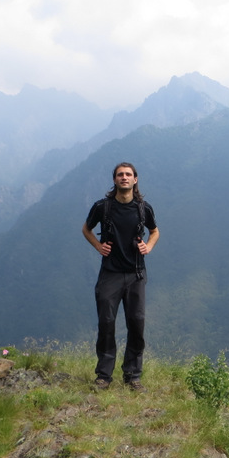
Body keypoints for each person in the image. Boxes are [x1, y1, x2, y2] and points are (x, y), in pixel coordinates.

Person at [82, 162, 159, 392]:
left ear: (135, 179)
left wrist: (149, 246)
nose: (124, 177)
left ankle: (133, 376)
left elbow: (155, 231)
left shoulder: (143, 208)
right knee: (106, 323)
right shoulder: (102, 207)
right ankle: (104, 376)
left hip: (136, 274)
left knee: (136, 324)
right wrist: (98, 246)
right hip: (110, 274)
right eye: (120, 175)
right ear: (114, 179)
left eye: (128, 174)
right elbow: (86, 229)